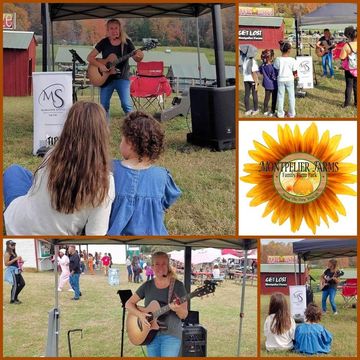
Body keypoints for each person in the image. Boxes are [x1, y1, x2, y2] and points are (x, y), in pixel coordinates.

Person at [3, 101, 115, 236]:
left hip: (18, 224)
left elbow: (33, 191)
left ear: (68, 126)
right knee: (18, 172)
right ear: (103, 132)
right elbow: (96, 233)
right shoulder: (105, 182)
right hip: (52, 230)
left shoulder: (52, 155)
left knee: (14, 171)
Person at [107, 111, 182, 235]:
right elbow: (166, 203)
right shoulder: (162, 176)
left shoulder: (110, 169)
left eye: (122, 139)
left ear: (130, 143)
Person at [126, 251, 188, 357]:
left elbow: (184, 315)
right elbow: (128, 304)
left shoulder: (178, 286)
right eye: (157, 264)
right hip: (150, 334)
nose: (160, 267)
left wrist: (176, 308)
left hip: (171, 335)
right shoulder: (147, 285)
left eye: (164, 264)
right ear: (152, 267)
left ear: (168, 266)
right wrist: (140, 315)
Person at [87, 18, 144, 117]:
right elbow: (90, 57)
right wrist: (100, 65)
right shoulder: (104, 42)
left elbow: (137, 59)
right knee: (103, 106)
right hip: (105, 79)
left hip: (122, 78)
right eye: (111, 28)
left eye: (116, 28)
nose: (114, 31)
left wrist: (140, 56)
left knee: (127, 105)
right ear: (108, 30)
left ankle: (134, 128)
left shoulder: (127, 43)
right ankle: (104, 131)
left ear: (120, 29)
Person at [274, 41, 298, 118]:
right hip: (290, 79)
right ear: (289, 50)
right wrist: (295, 77)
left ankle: (280, 114)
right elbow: (295, 71)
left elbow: (276, 69)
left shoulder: (278, 59)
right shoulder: (292, 60)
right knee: (291, 96)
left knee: (280, 96)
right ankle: (291, 113)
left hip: (280, 79)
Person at [340, 26, 357, 107]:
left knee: (349, 86)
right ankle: (357, 103)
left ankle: (346, 104)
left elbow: (342, 57)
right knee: (356, 86)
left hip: (349, 69)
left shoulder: (346, 45)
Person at [241, 45, 259, 116]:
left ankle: (247, 110)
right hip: (252, 80)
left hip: (246, 80)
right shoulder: (253, 62)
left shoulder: (245, 60)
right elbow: (254, 73)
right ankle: (256, 109)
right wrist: (256, 82)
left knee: (247, 95)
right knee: (255, 95)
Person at [259, 49, 278, 116]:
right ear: (271, 57)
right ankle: (272, 111)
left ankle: (265, 111)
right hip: (274, 85)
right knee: (274, 98)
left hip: (266, 85)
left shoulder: (262, 66)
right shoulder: (272, 67)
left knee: (266, 98)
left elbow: (260, 72)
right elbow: (274, 76)